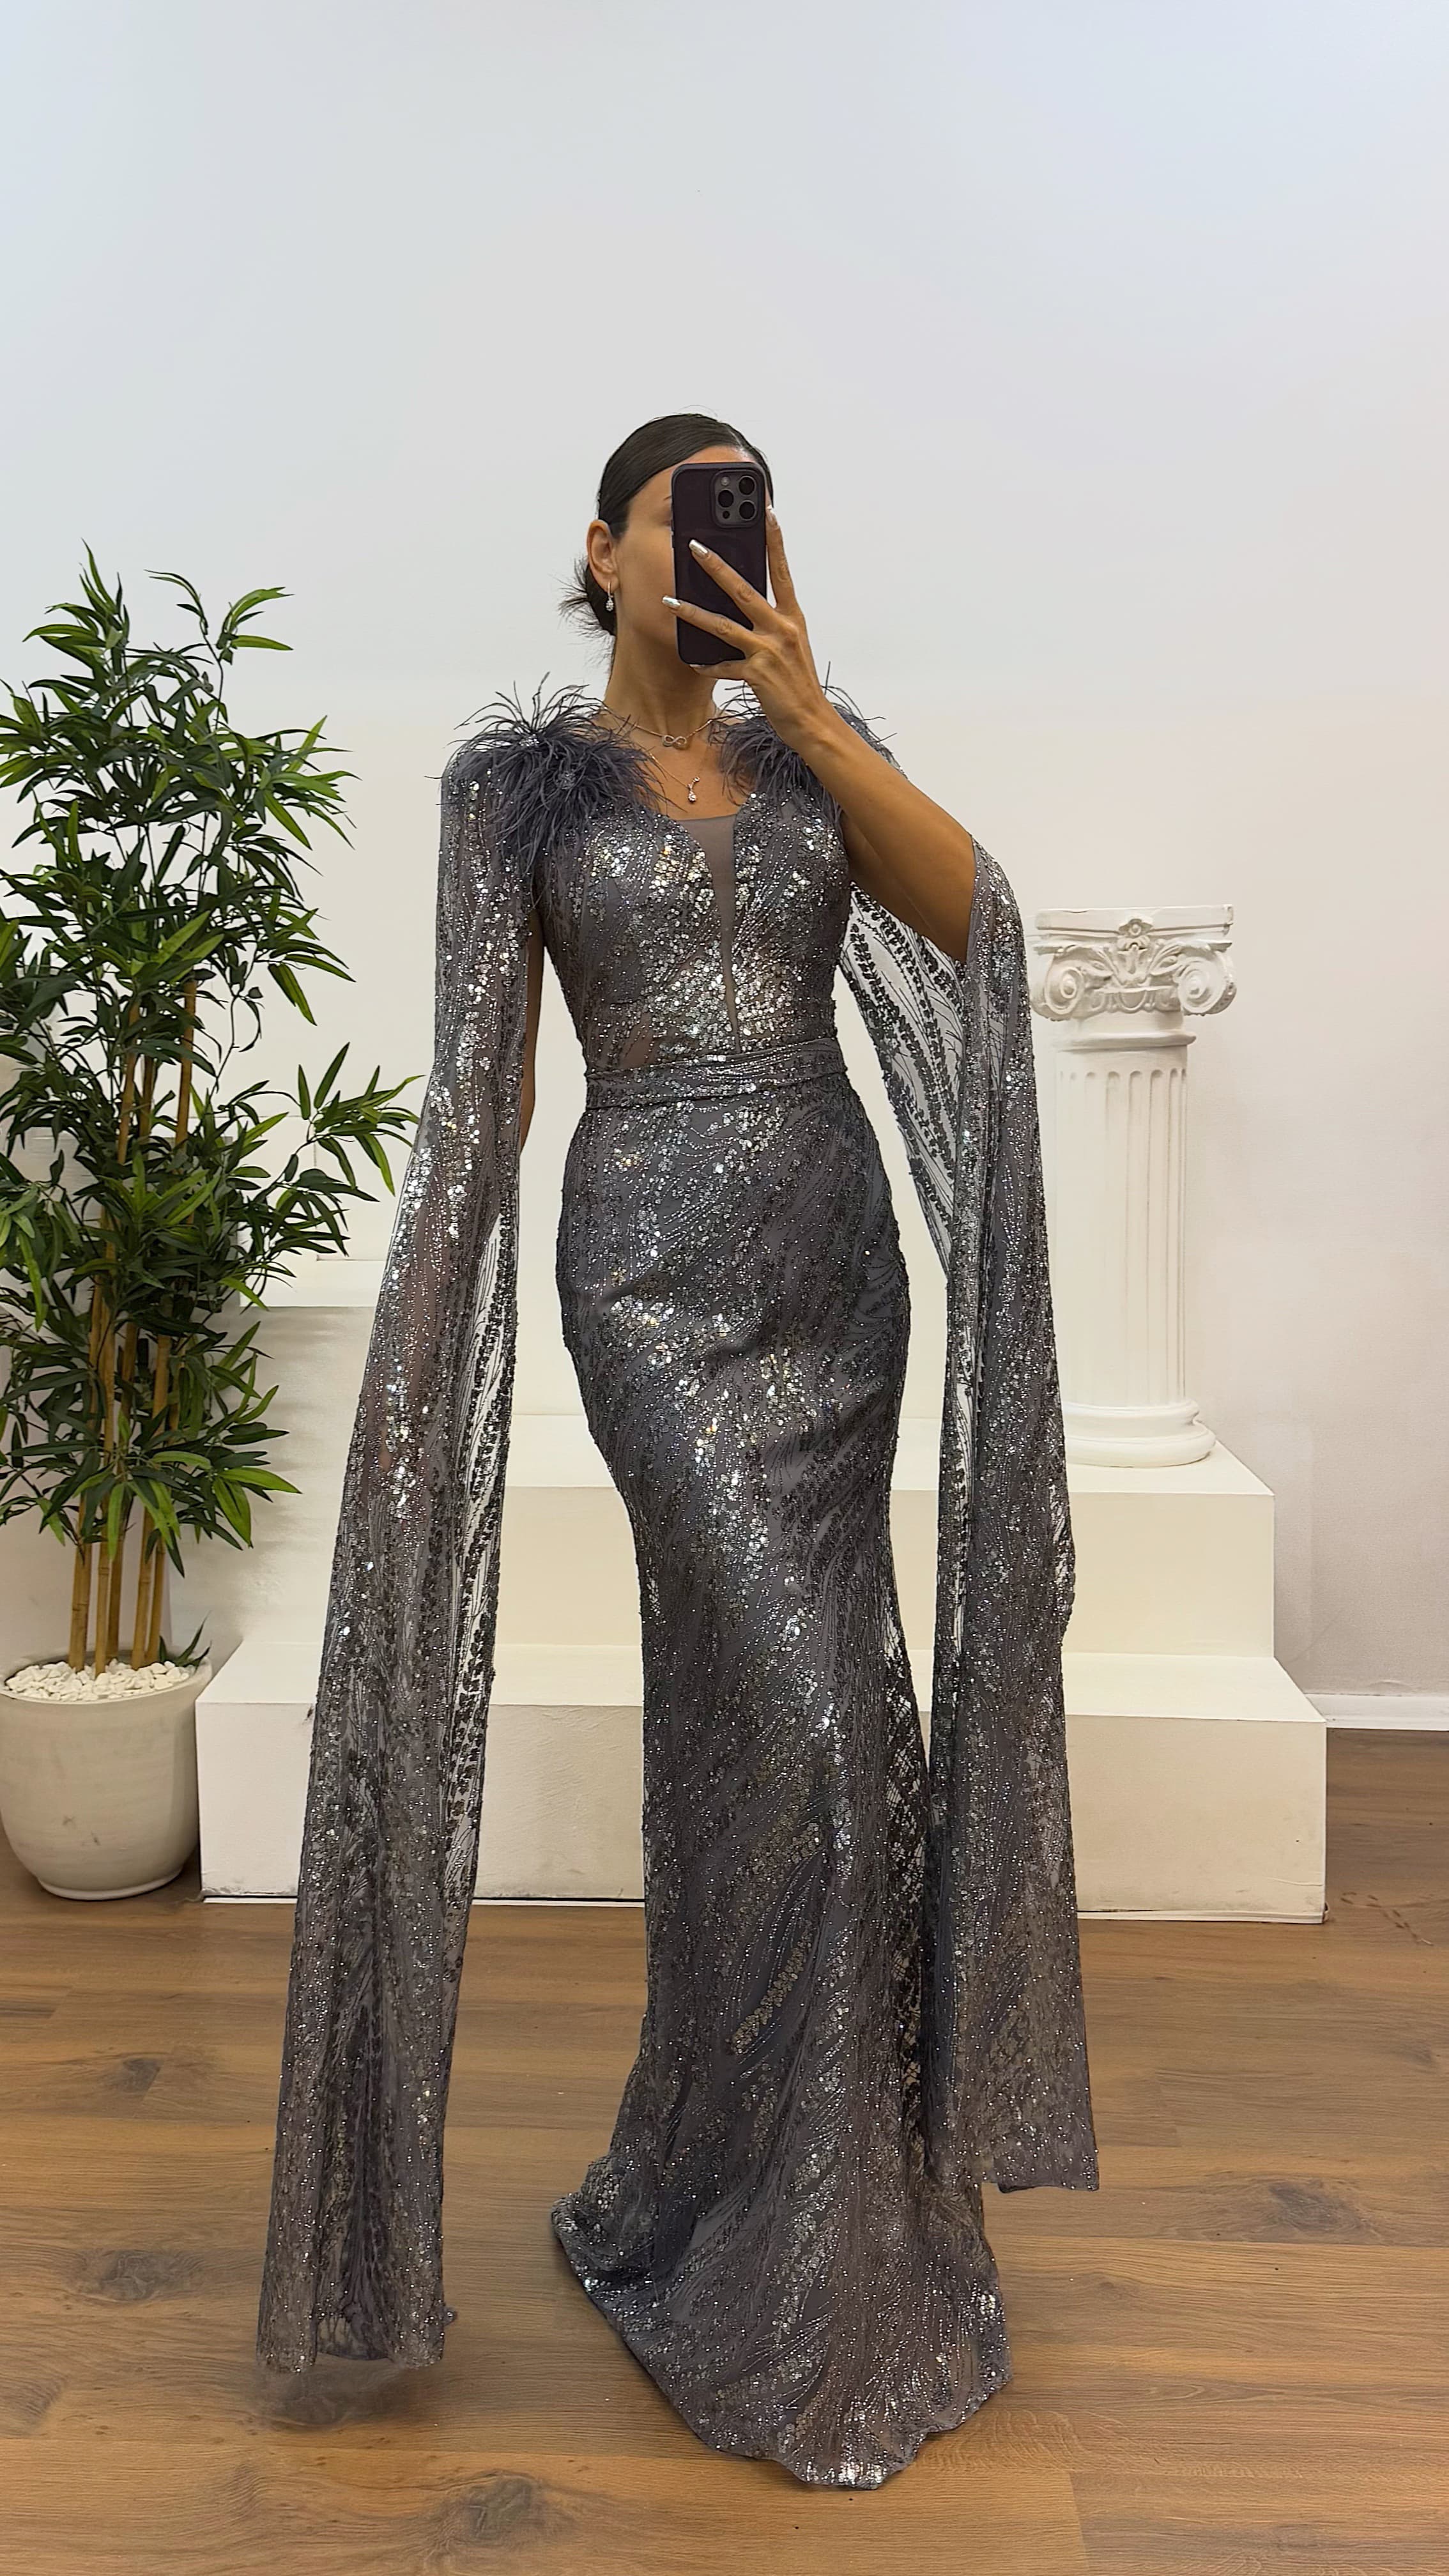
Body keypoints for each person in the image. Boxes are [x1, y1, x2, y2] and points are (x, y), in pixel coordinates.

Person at [255, 412, 1098, 2490]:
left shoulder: (815, 752)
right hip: (644, 1285)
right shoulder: (513, 790)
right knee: (805, 1729)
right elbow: (476, 1091)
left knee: (801, 1736)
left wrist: (806, 712)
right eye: (689, 513)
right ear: (604, 549)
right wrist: (415, 1365)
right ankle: (766, 2247)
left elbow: (981, 925)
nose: (726, 545)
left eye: (753, 515)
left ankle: (764, 2202)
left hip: (832, 1274)